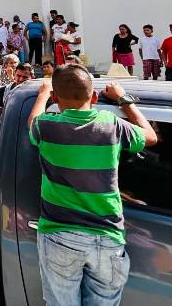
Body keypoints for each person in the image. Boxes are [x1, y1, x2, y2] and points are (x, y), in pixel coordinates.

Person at [28, 66, 157, 306]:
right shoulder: (112, 124)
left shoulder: (46, 126)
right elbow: (150, 137)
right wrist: (124, 100)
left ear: (56, 99)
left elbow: (32, 121)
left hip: (59, 235)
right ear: (95, 97)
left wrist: (43, 94)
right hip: (107, 237)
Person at [0, 63, 34, 136]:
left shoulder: (36, 93)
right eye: (18, 76)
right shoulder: (4, 91)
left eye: (25, 77)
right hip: (8, 135)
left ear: (32, 77)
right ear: (14, 74)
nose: (21, 79)